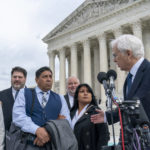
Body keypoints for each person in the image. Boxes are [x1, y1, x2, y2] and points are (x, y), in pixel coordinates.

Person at [91, 34, 150, 125]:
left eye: (115, 55)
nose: (114, 60)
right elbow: (130, 106)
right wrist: (108, 116)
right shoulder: (129, 78)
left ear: (128, 53)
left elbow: (138, 104)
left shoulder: (148, 71)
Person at [12, 66, 71, 149]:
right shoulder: (24, 93)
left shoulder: (60, 98)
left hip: (52, 145)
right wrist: (37, 130)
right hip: (28, 143)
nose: (49, 79)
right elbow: (18, 116)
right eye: (45, 76)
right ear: (36, 80)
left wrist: (48, 133)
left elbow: (66, 122)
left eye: (50, 76)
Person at [71, 83, 110, 150]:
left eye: (88, 92)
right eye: (82, 91)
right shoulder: (71, 113)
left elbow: (104, 136)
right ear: (77, 96)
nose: (85, 93)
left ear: (91, 96)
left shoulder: (96, 112)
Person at [0, 66, 27, 131]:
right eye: (14, 77)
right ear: (11, 78)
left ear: (25, 79)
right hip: (6, 137)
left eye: (20, 77)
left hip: (28, 137)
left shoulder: (33, 95)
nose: (17, 79)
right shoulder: (1, 95)